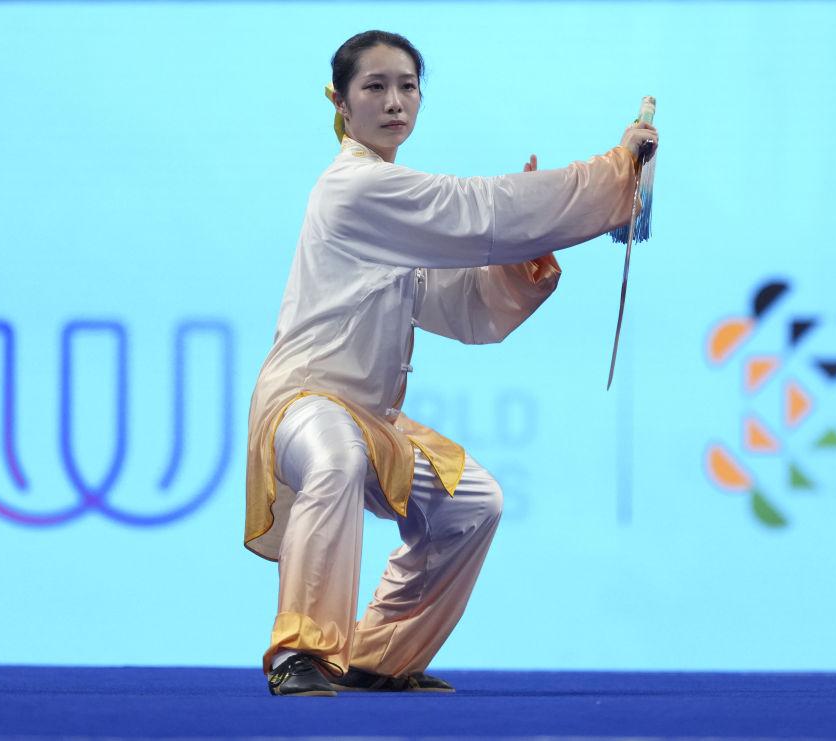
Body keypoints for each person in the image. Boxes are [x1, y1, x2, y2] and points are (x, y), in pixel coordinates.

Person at [245, 30, 659, 697]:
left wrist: (523, 251)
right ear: (341, 103)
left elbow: (464, 308)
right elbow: (481, 210)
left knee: (472, 502)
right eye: (375, 87)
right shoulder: (354, 188)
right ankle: (302, 652)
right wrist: (616, 171)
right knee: (336, 456)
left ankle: (379, 655)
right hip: (303, 404)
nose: (394, 101)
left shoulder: (395, 211)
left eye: (407, 86)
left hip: (370, 420)